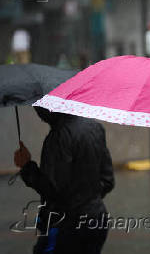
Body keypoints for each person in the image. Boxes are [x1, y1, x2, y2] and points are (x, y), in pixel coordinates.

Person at [14, 107, 115, 254]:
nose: (38, 113)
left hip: (66, 227)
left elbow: (53, 190)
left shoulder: (58, 136)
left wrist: (27, 166)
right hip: (97, 219)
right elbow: (107, 180)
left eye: (39, 107)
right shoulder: (95, 127)